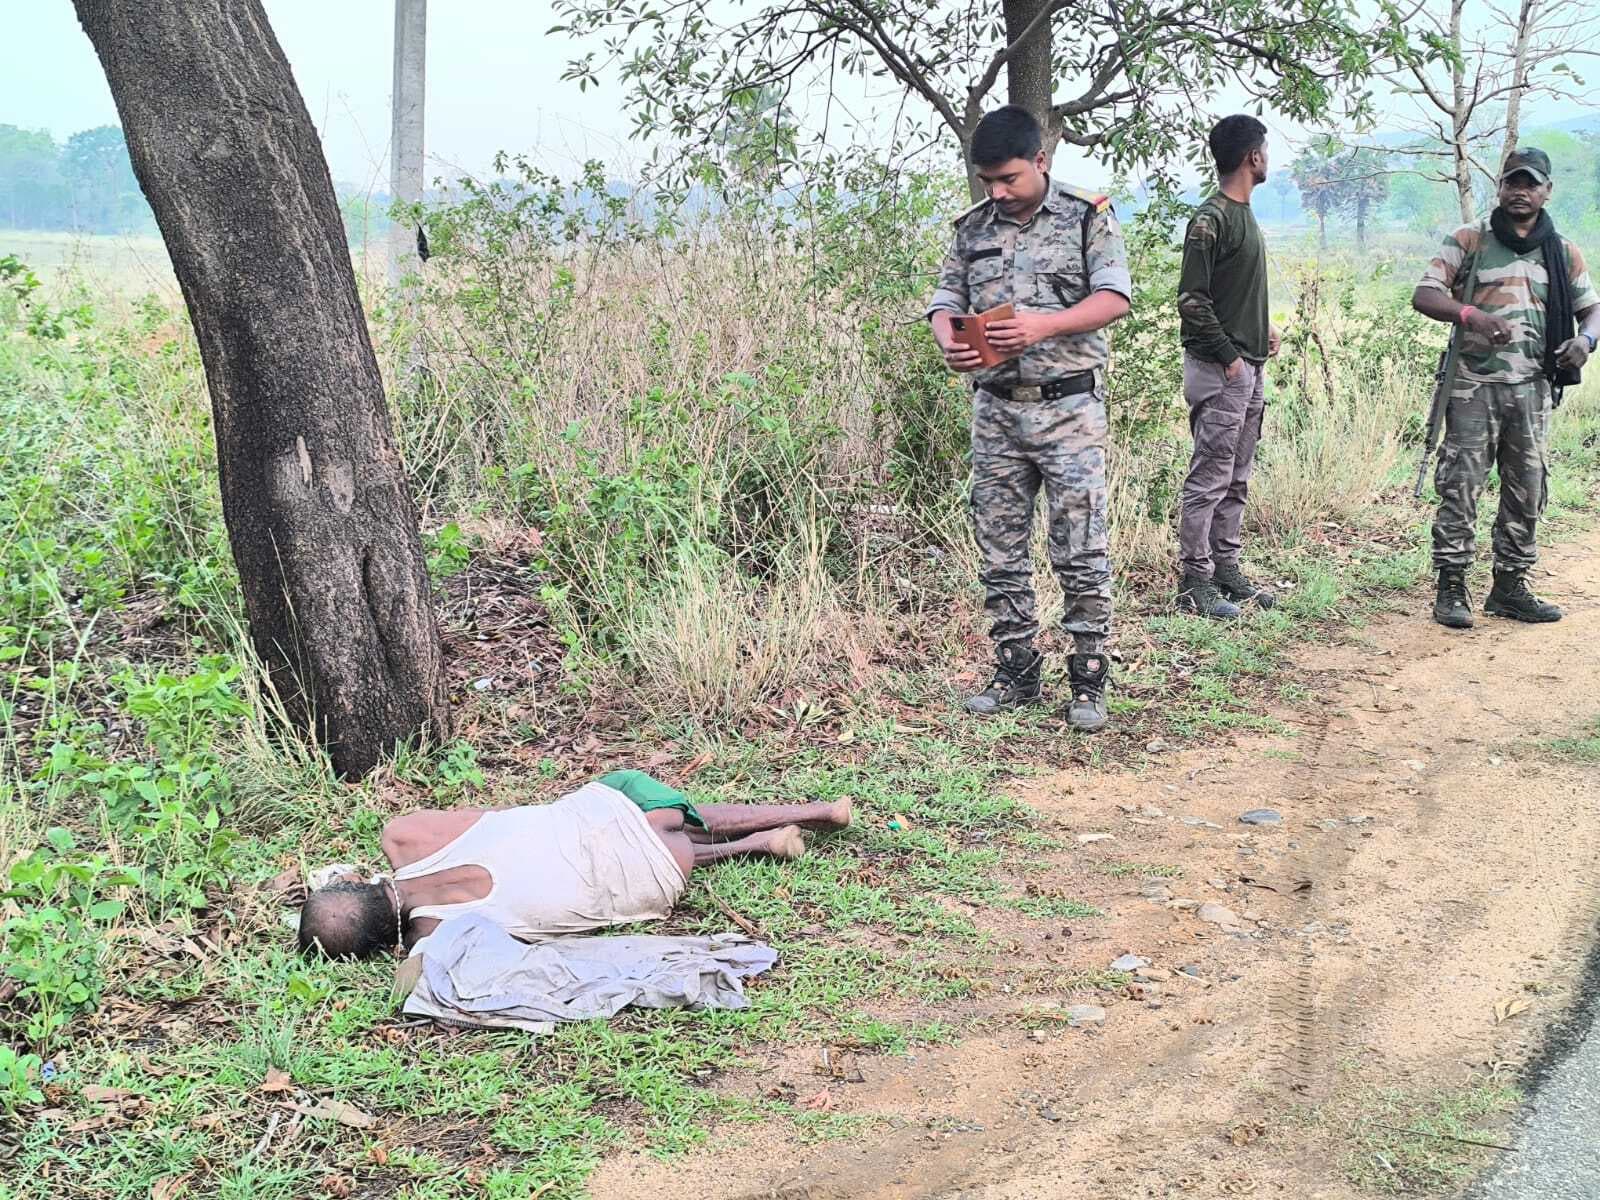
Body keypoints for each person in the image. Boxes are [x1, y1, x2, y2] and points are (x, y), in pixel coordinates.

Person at [925, 104, 1132, 733]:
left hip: (1068, 407)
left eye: (1009, 178)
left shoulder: (1085, 216)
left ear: (1041, 162)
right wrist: (946, 337)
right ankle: (1015, 670)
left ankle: (1089, 677)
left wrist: (1043, 324)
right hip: (996, 412)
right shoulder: (972, 227)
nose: (998, 191)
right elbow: (945, 298)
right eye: (988, 180)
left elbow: (1115, 298)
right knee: (1000, 548)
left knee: (1079, 548)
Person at [296, 770, 852, 959]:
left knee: (632, 856)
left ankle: (759, 845)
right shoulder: (406, 834)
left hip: (658, 879)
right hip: (634, 809)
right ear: (352, 881)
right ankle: (817, 810)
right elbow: (505, 818)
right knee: (651, 817)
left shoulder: (433, 938)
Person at [1414, 147, 1600, 628]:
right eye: (1512, 181)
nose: (1521, 191)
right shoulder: (1470, 239)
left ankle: (1510, 587)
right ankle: (1452, 585)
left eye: (1531, 183)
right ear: (1499, 187)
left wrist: (1585, 340)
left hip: (1535, 388)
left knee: (1526, 488)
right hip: (1473, 386)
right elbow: (1425, 294)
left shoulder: (1561, 250)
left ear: (1547, 191)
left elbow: (1591, 309)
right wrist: (1469, 313)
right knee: (1460, 486)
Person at [1174, 114, 1282, 620]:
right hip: (1222, 372)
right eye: (1264, 150)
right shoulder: (1210, 218)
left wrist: (1262, 334)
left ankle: (1225, 570)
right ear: (1252, 157)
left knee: (1237, 477)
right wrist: (1232, 359)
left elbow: (1230, 293)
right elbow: (1192, 301)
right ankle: (1194, 582)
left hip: (1247, 366)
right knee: (1210, 477)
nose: (1267, 158)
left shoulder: (1243, 214)